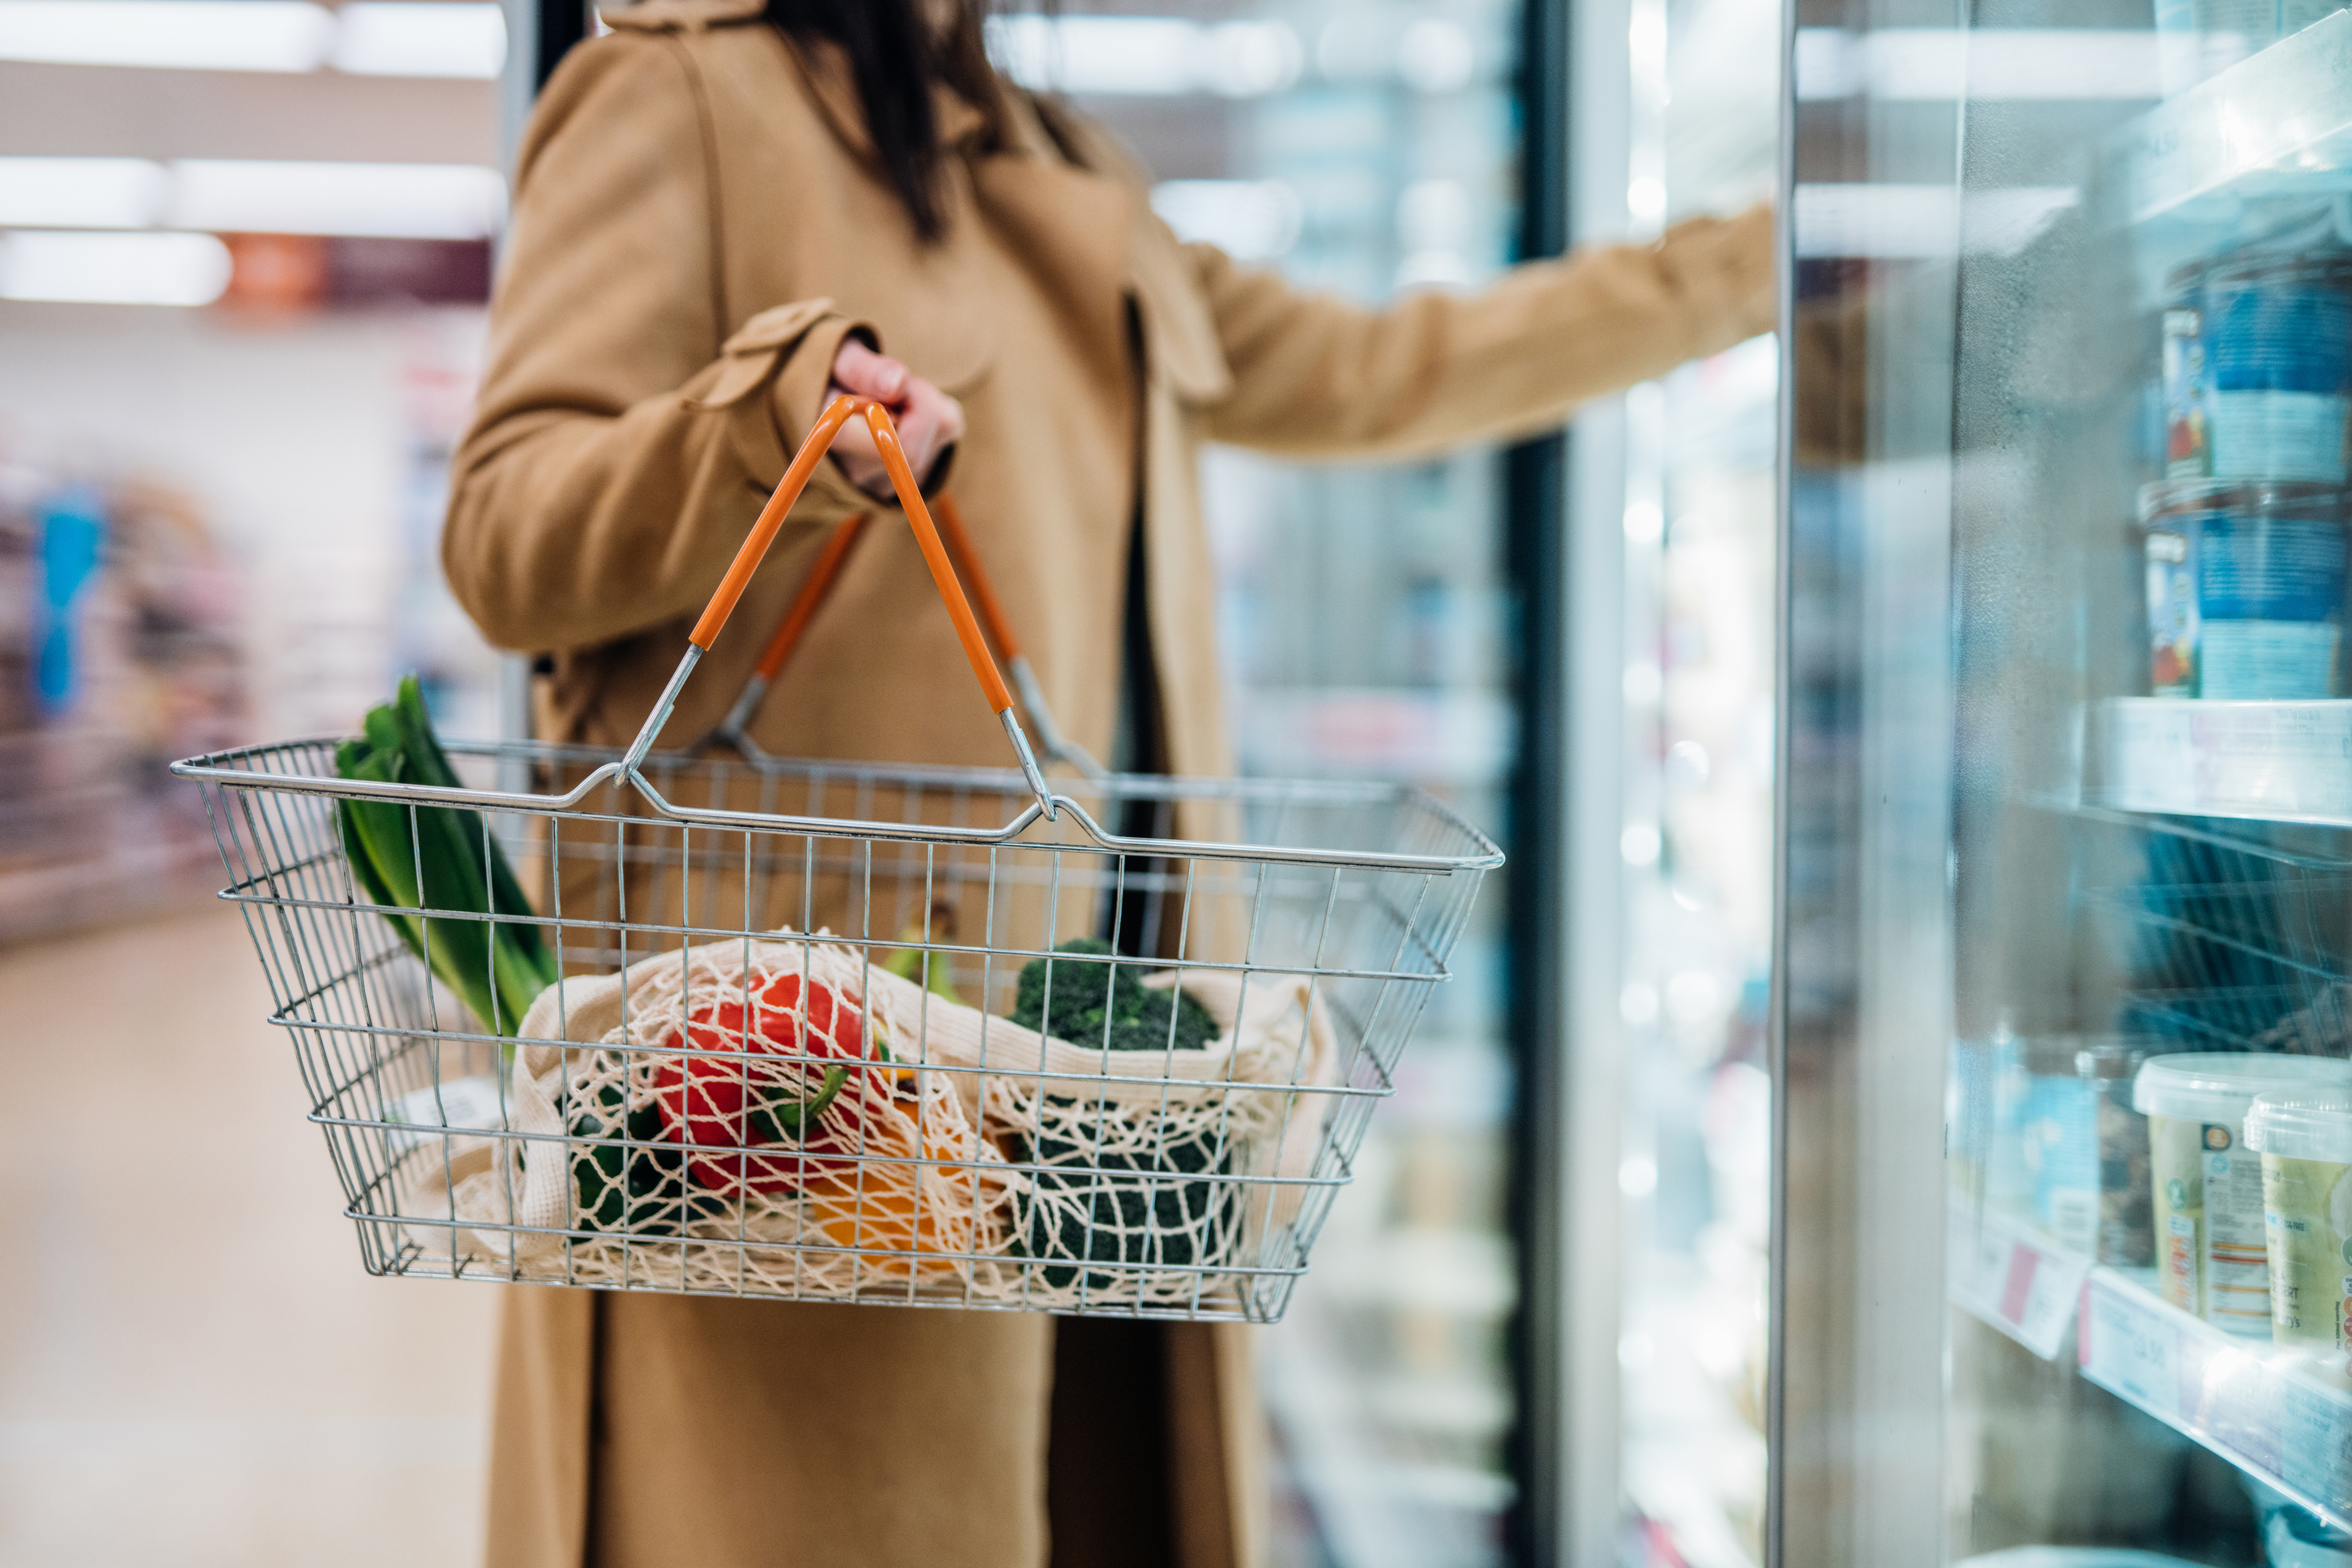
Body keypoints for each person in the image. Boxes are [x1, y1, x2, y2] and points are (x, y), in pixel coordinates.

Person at [442, 1, 1774, 1564]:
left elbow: (1373, 371)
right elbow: (503, 537)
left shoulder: (1054, 153)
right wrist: (765, 423)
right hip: (798, 1112)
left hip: (1096, 1090)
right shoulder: (671, 96)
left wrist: (1760, 262)